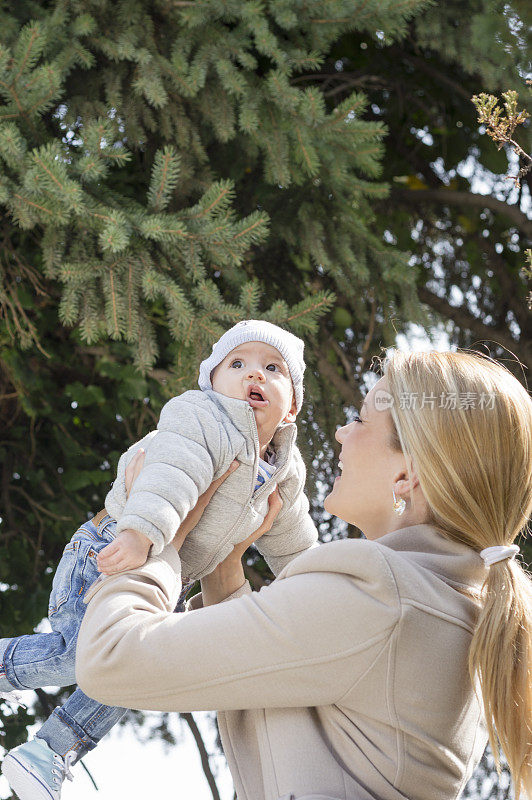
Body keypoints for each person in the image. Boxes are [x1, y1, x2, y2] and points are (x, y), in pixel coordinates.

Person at [74, 349, 531, 800]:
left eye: (361, 421)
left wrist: (152, 538)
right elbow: (297, 683)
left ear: (406, 475)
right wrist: (224, 568)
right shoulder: (448, 603)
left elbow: (109, 659)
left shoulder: (380, 593)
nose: (340, 433)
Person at [0, 319, 318, 800]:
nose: (254, 375)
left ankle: (50, 751)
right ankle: (30, 713)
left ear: (291, 403)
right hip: (113, 546)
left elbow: (295, 544)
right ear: (210, 382)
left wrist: (318, 592)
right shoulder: (202, 418)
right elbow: (170, 473)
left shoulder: (284, 471)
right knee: (81, 654)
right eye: (237, 364)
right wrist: (141, 532)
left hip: (158, 579)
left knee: (131, 665)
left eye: (272, 368)